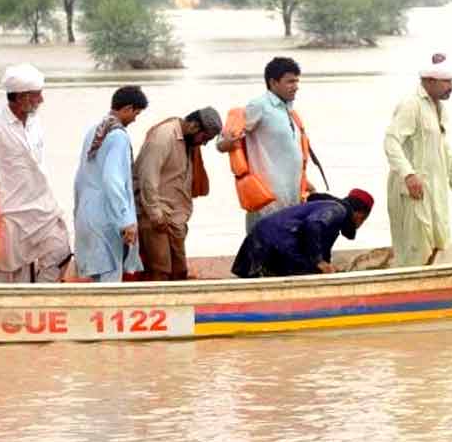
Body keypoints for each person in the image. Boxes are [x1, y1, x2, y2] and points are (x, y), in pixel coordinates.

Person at [0, 63, 72, 283]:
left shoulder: (35, 122)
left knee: (60, 251)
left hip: (43, 208)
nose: (41, 100)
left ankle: (42, 296)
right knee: (7, 271)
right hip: (10, 212)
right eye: (37, 95)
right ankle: (3, 310)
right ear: (21, 98)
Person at [384, 53, 452, 267]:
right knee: (415, 245)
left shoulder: (437, 107)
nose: (451, 86)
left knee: (437, 240)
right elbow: (391, 142)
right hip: (413, 189)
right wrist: (408, 174)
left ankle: (427, 282)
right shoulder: (411, 105)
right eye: (447, 82)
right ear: (430, 81)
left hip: (435, 188)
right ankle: (407, 291)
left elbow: (443, 147)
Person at [216, 57, 313, 232]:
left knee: (287, 253)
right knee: (261, 253)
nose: (296, 86)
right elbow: (223, 141)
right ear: (273, 82)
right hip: (266, 201)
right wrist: (226, 143)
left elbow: (288, 153)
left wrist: (305, 182)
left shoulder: (289, 110)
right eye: (290, 81)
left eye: (297, 81)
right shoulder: (259, 106)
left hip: (292, 199)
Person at [133, 107, 223, 281]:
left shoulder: (189, 142)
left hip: (176, 217)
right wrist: (155, 214)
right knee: (160, 271)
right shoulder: (164, 137)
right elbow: (147, 178)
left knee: (179, 271)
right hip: (155, 215)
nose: (203, 144)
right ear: (194, 126)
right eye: (205, 138)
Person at [73, 87, 149, 283]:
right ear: (128, 109)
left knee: (97, 275)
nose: (135, 119)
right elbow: (113, 180)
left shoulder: (94, 131)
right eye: (136, 113)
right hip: (107, 218)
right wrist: (125, 220)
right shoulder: (118, 136)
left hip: (87, 214)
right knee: (110, 279)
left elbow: (80, 177)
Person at [231, 189, 375, 278]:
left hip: (262, 239)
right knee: (311, 269)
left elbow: (319, 246)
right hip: (273, 244)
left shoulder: (329, 212)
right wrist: (319, 261)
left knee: (313, 269)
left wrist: (327, 266)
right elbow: (313, 225)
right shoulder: (338, 210)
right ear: (360, 215)